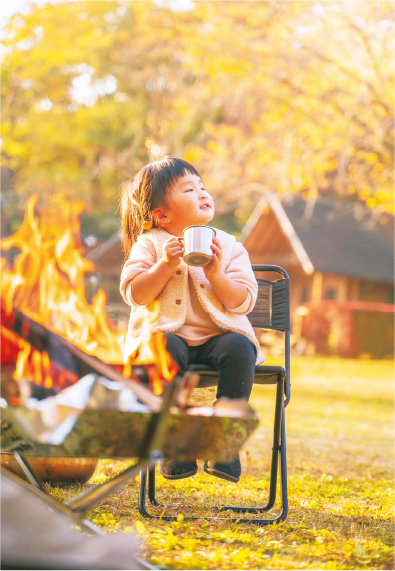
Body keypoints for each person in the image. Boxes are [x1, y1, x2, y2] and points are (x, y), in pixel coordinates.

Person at [120, 157, 264, 483]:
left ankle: (224, 441)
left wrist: (215, 273)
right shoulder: (150, 244)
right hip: (168, 338)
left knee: (242, 347)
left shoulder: (228, 246)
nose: (201, 192)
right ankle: (175, 443)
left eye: (202, 186)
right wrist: (165, 265)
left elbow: (242, 301)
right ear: (162, 215)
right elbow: (135, 294)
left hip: (220, 338)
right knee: (164, 346)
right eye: (189, 188)